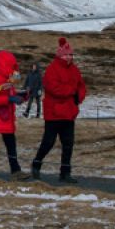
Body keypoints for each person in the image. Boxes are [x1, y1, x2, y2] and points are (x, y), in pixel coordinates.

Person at [26, 36, 87, 183]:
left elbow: (81, 86)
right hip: (54, 113)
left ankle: (65, 173)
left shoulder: (74, 69)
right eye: (67, 54)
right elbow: (54, 88)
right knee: (48, 142)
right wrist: (72, 91)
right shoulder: (52, 69)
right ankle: (36, 164)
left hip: (69, 113)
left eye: (71, 54)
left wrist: (79, 96)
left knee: (68, 144)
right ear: (60, 55)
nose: (69, 57)